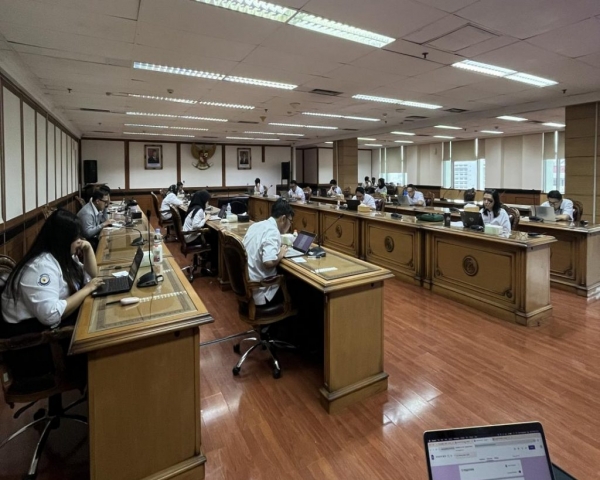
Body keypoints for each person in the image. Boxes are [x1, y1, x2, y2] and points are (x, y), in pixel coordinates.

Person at [1, 209, 104, 333]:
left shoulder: (62, 255)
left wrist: (88, 248)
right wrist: (87, 289)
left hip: (51, 320)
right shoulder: (41, 267)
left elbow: (90, 276)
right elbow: (50, 315)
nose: (80, 241)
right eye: (76, 237)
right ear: (63, 239)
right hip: (30, 332)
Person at [243, 199, 294, 305]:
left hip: (245, 284)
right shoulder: (273, 231)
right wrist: (281, 254)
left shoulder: (256, 225)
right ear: (283, 218)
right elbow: (268, 262)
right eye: (290, 221)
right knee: (299, 285)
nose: (290, 225)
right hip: (261, 291)